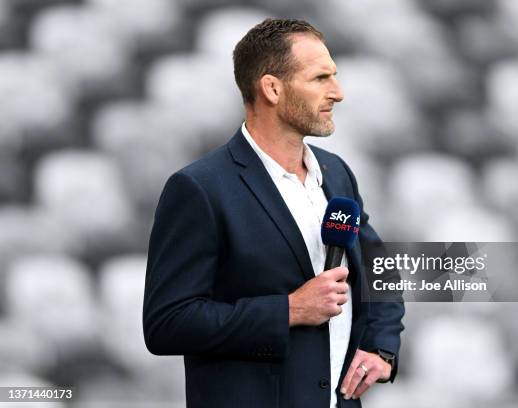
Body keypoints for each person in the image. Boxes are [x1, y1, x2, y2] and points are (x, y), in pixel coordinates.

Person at [143, 18, 404, 408]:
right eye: (320, 78)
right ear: (272, 88)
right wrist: (288, 310)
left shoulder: (336, 174)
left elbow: (379, 267)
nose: (338, 92)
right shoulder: (200, 188)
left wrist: (381, 348)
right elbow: (166, 323)